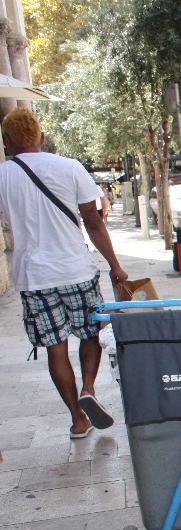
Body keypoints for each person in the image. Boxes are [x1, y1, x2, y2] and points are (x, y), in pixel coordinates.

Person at [0, 107, 129, 438]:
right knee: (89, 333)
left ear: (7, 141)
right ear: (42, 137)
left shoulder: (3, 176)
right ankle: (88, 388)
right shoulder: (70, 168)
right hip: (75, 269)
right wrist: (115, 265)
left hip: (33, 277)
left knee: (55, 348)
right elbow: (93, 220)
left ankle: (77, 419)